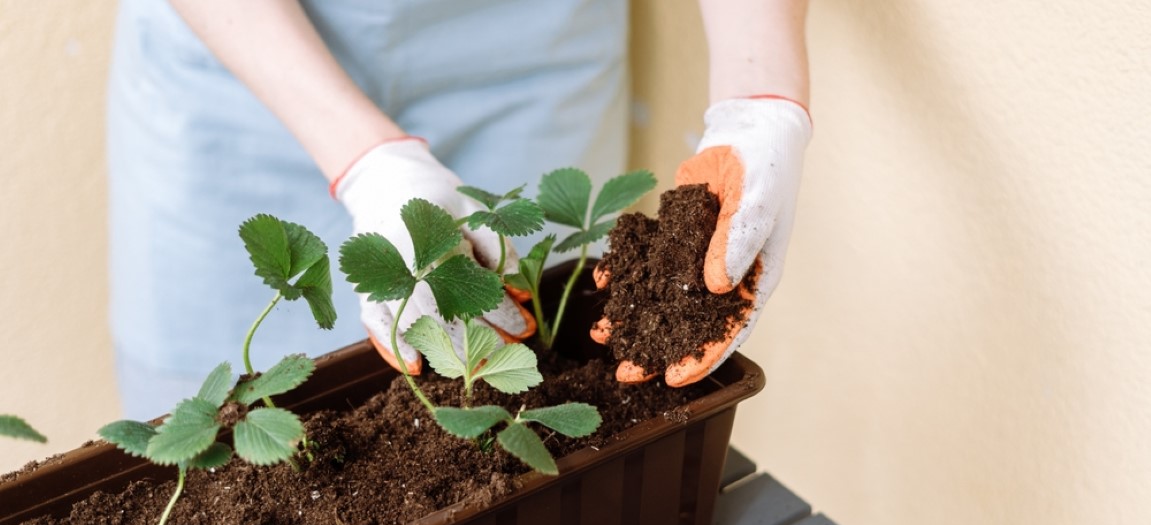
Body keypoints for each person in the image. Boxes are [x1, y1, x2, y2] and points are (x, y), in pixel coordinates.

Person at [106, 0, 811, 419]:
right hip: (245, 65)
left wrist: (760, 97)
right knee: (226, 420)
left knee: (537, 356)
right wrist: (363, 160)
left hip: (535, 51)